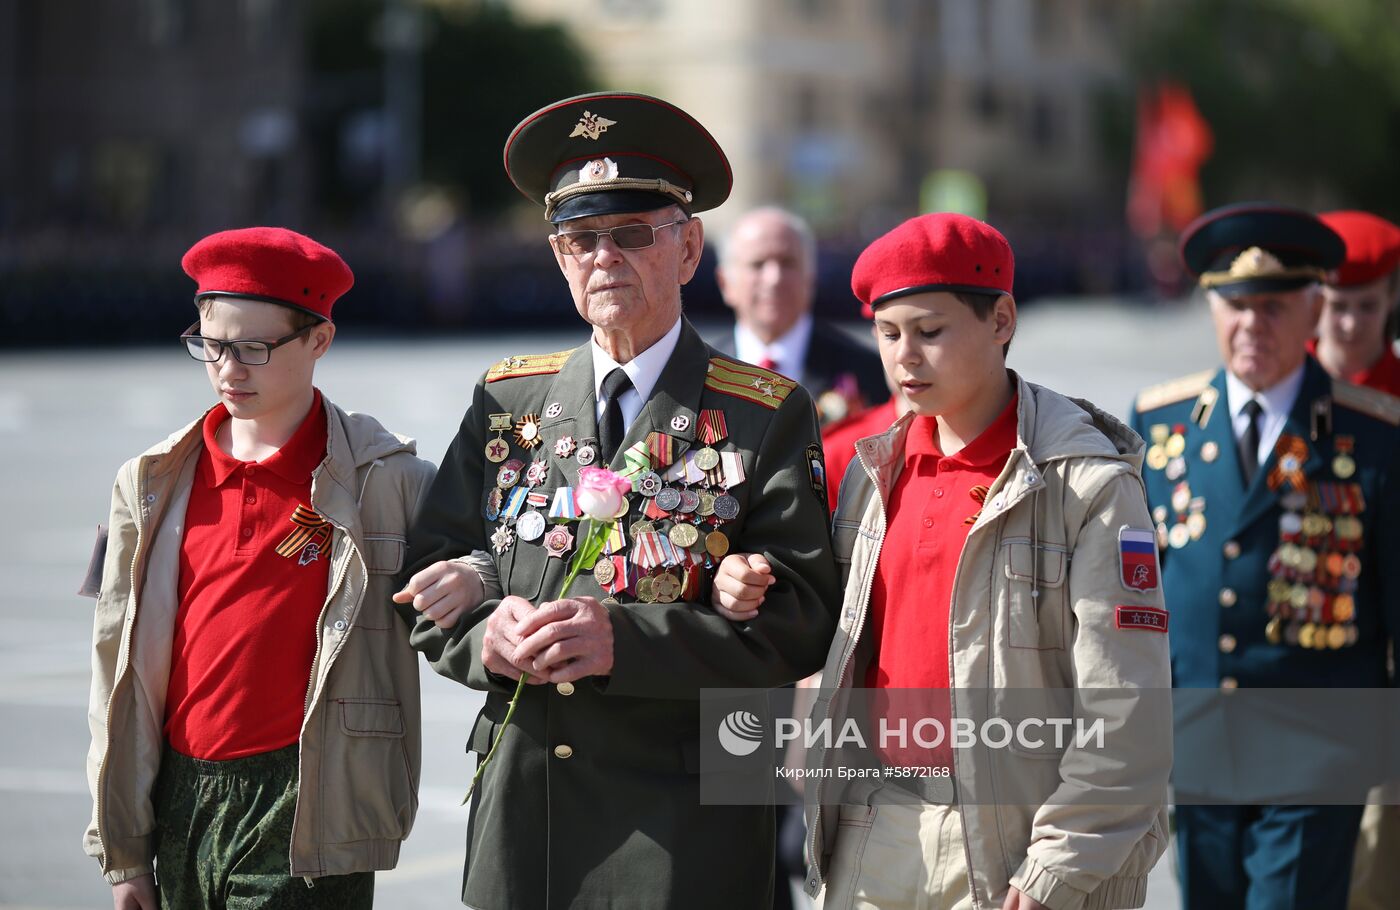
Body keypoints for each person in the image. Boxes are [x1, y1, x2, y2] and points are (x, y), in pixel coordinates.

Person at [394, 92, 841, 909]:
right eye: (579, 240)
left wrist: (624, 642)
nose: (604, 259)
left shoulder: (763, 412)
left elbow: (803, 618)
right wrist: (482, 632)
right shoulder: (509, 403)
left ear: (688, 249)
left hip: (683, 829)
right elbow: (428, 575)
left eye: (631, 234)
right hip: (530, 817)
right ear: (559, 258)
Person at [713, 213, 1172, 909]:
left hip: (1023, 843)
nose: (904, 358)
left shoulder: (1086, 483)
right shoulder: (869, 472)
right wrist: (741, 587)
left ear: (1002, 320)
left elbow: (1127, 712)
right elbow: (823, 634)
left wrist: (1055, 868)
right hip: (877, 832)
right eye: (888, 334)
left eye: (930, 332)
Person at [83, 228, 455, 908]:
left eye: (255, 348)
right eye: (212, 346)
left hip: (306, 798)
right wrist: (126, 851)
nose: (230, 370)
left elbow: (483, 568)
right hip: (179, 794)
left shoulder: (388, 480)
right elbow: (117, 662)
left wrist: (476, 582)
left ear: (319, 340)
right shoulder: (150, 482)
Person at [1129, 202, 1400, 909]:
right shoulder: (1162, 423)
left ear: (1315, 311)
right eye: (1236, 305)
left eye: (1275, 308)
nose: (1253, 325)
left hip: (1320, 741)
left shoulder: (1371, 434)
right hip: (1199, 736)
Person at [713, 206, 888, 425]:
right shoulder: (698, 372)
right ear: (725, 283)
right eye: (757, 264)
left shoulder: (868, 371)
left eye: (788, 263)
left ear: (810, 276)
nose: (774, 278)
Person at [1311, 209, 1400, 396]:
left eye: (1368, 306)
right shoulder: (1285, 378)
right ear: (1316, 302)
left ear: (1392, 297)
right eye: (1338, 306)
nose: (1351, 324)